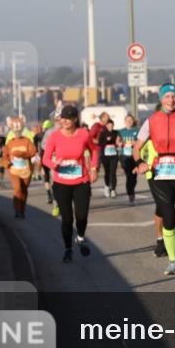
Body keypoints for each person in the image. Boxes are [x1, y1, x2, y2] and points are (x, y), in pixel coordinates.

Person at [134, 84, 175, 276]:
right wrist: (140, 162)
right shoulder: (151, 120)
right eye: (167, 97)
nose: (171, 100)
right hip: (160, 173)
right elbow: (136, 147)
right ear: (161, 99)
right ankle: (173, 260)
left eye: (174, 96)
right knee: (169, 218)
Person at [42, 105, 99, 262]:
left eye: (69, 118)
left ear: (75, 119)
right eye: (63, 118)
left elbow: (94, 150)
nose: (65, 121)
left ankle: (80, 237)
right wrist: (55, 165)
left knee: (82, 215)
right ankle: (68, 248)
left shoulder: (83, 134)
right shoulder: (54, 136)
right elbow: (45, 159)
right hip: (61, 182)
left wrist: (94, 167)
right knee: (67, 219)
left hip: (81, 180)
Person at [2, 117, 38, 218]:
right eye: (15, 128)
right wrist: (8, 164)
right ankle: (17, 210)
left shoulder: (27, 141)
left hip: (26, 170)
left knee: (24, 190)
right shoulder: (10, 143)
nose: (17, 131)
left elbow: (32, 152)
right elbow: (4, 156)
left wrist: (23, 155)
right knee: (17, 189)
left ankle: (22, 209)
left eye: (19, 128)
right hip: (14, 170)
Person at [119, 114, 140, 206]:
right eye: (127, 120)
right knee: (129, 176)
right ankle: (131, 195)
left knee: (134, 177)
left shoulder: (137, 130)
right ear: (125, 121)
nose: (129, 121)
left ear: (133, 121)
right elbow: (117, 141)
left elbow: (141, 141)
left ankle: (132, 191)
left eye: (130, 120)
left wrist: (135, 143)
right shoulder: (121, 131)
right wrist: (119, 143)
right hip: (125, 157)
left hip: (134, 156)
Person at [98, 118, 121, 198]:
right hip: (105, 156)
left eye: (112, 125)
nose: (110, 126)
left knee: (113, 172)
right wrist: (106, 141)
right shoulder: (103, 133)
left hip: (114, 155)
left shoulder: (116, 132)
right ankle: (107, 186)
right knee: (107, 172)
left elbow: (118, 141)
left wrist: (118, 143)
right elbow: (100, 144)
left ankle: (113, 189)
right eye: (109, 125)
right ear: (106, 126)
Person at [36, 120, 55, 205]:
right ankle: (54, 194)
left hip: (44, 158)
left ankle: (48, 194)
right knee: (54, 177)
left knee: (46, 177)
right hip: (53, 158)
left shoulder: (38, 135)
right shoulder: (54, 133)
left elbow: (36, 147)